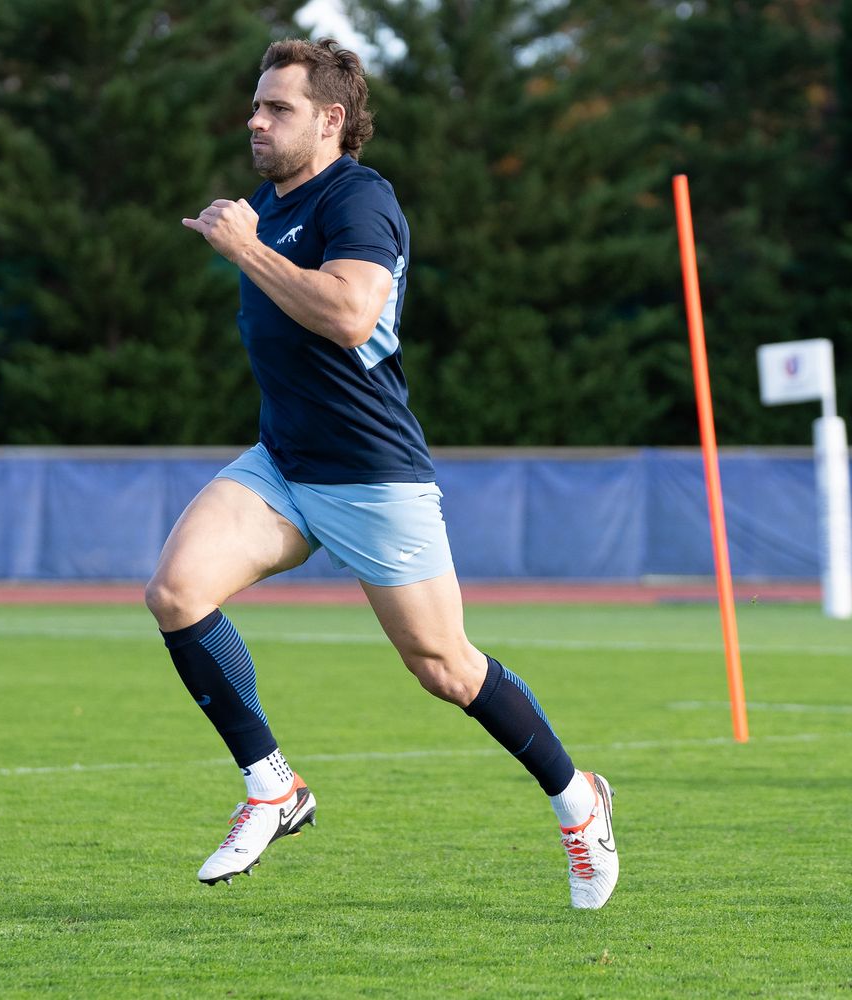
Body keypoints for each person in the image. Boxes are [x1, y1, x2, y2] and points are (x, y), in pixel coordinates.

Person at [149, 38, 617, 909]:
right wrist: (253, 240)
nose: (255, 119)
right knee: (177, 593)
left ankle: (577, 798)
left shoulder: (360, 197)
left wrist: (248, 251)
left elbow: (351, 314)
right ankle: (272, 786)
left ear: (330, 120)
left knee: (445, 667)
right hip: (283, 466)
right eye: (254, 105)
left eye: (276, 108)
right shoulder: (265, 205)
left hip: (372, 477)